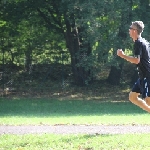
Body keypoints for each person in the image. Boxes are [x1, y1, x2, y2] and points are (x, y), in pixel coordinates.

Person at [117, 21, 150, 113]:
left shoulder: (139, 43)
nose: (129, 30)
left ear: (135, 31)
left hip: (147, 76)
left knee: (148, 100)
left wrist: (122, 55)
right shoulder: (144, 42)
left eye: (131, 28)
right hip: (143, 76)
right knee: (132, 97)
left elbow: (136, 60)